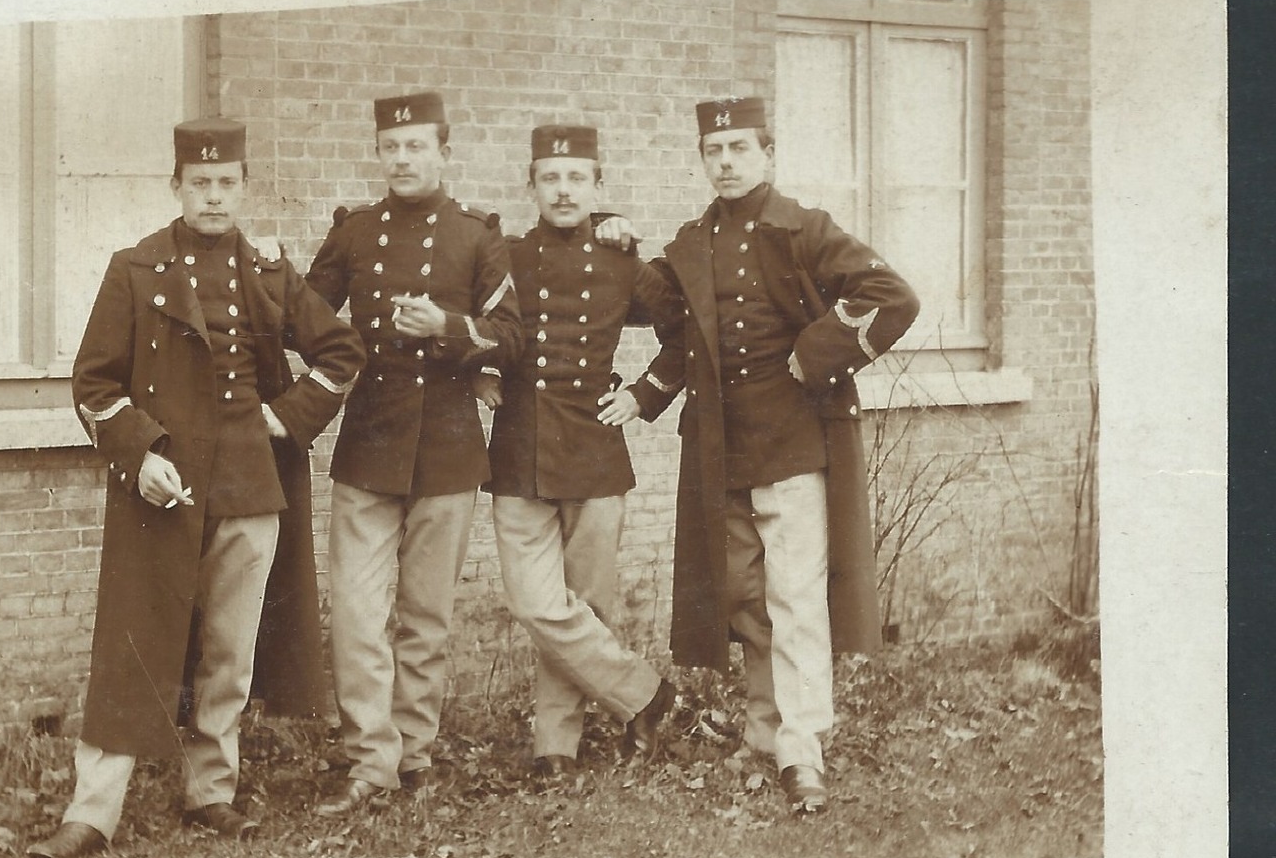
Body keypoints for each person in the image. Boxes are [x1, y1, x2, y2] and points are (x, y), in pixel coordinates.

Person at [27, 118, 364, 858]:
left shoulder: (272, 272)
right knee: (131, 646)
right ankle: (92, 811)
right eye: (200, 184)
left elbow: (341, 351)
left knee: (228, 653)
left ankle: (210, 790)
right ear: (176, 187)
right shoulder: (135, 268)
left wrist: (286, 417)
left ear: (244, 188)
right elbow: (93, 383)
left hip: (250, 486)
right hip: (163, 486)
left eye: (227, 184)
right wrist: (138, 452)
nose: (214, 197)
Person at [598, 97, 919, 812]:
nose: (726, 161)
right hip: (719, 448)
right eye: (714, 151)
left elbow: (890, 294)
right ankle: (762, 727)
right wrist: (614, 238)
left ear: (766, 154)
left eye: (740, 148)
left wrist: (816, 355)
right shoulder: (691, 242)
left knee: (796, 598)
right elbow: (663, 318)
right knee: (742, 595)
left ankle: (801, 750)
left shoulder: (803, 230)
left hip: (795, 442)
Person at [306, 90, 521, 816]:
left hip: (449, 451)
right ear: (378, 153)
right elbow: (303, 315)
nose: (402, 159)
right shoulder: (354, 233)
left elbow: (514, 337)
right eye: (390, 147)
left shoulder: (477, 236)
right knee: (361, 615)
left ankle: (415, 753)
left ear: (443, 152)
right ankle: (369, 759)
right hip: (367, 445)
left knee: (425, 615)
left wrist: (449, 326)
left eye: (416, 146)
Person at [473, 124, 684, 782]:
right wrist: (476, 372)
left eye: (576, 178)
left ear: (597, 186)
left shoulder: (622, 260)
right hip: (518, 448)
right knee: (540, 605)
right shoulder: (501, 256)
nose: (562, 190)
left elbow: (691, 331)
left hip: (594, 451)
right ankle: (646, 694)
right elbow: (462, 319)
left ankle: (555, 748)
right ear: (529, 186)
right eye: (549, 178)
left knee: (583, 609)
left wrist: (643, 395)